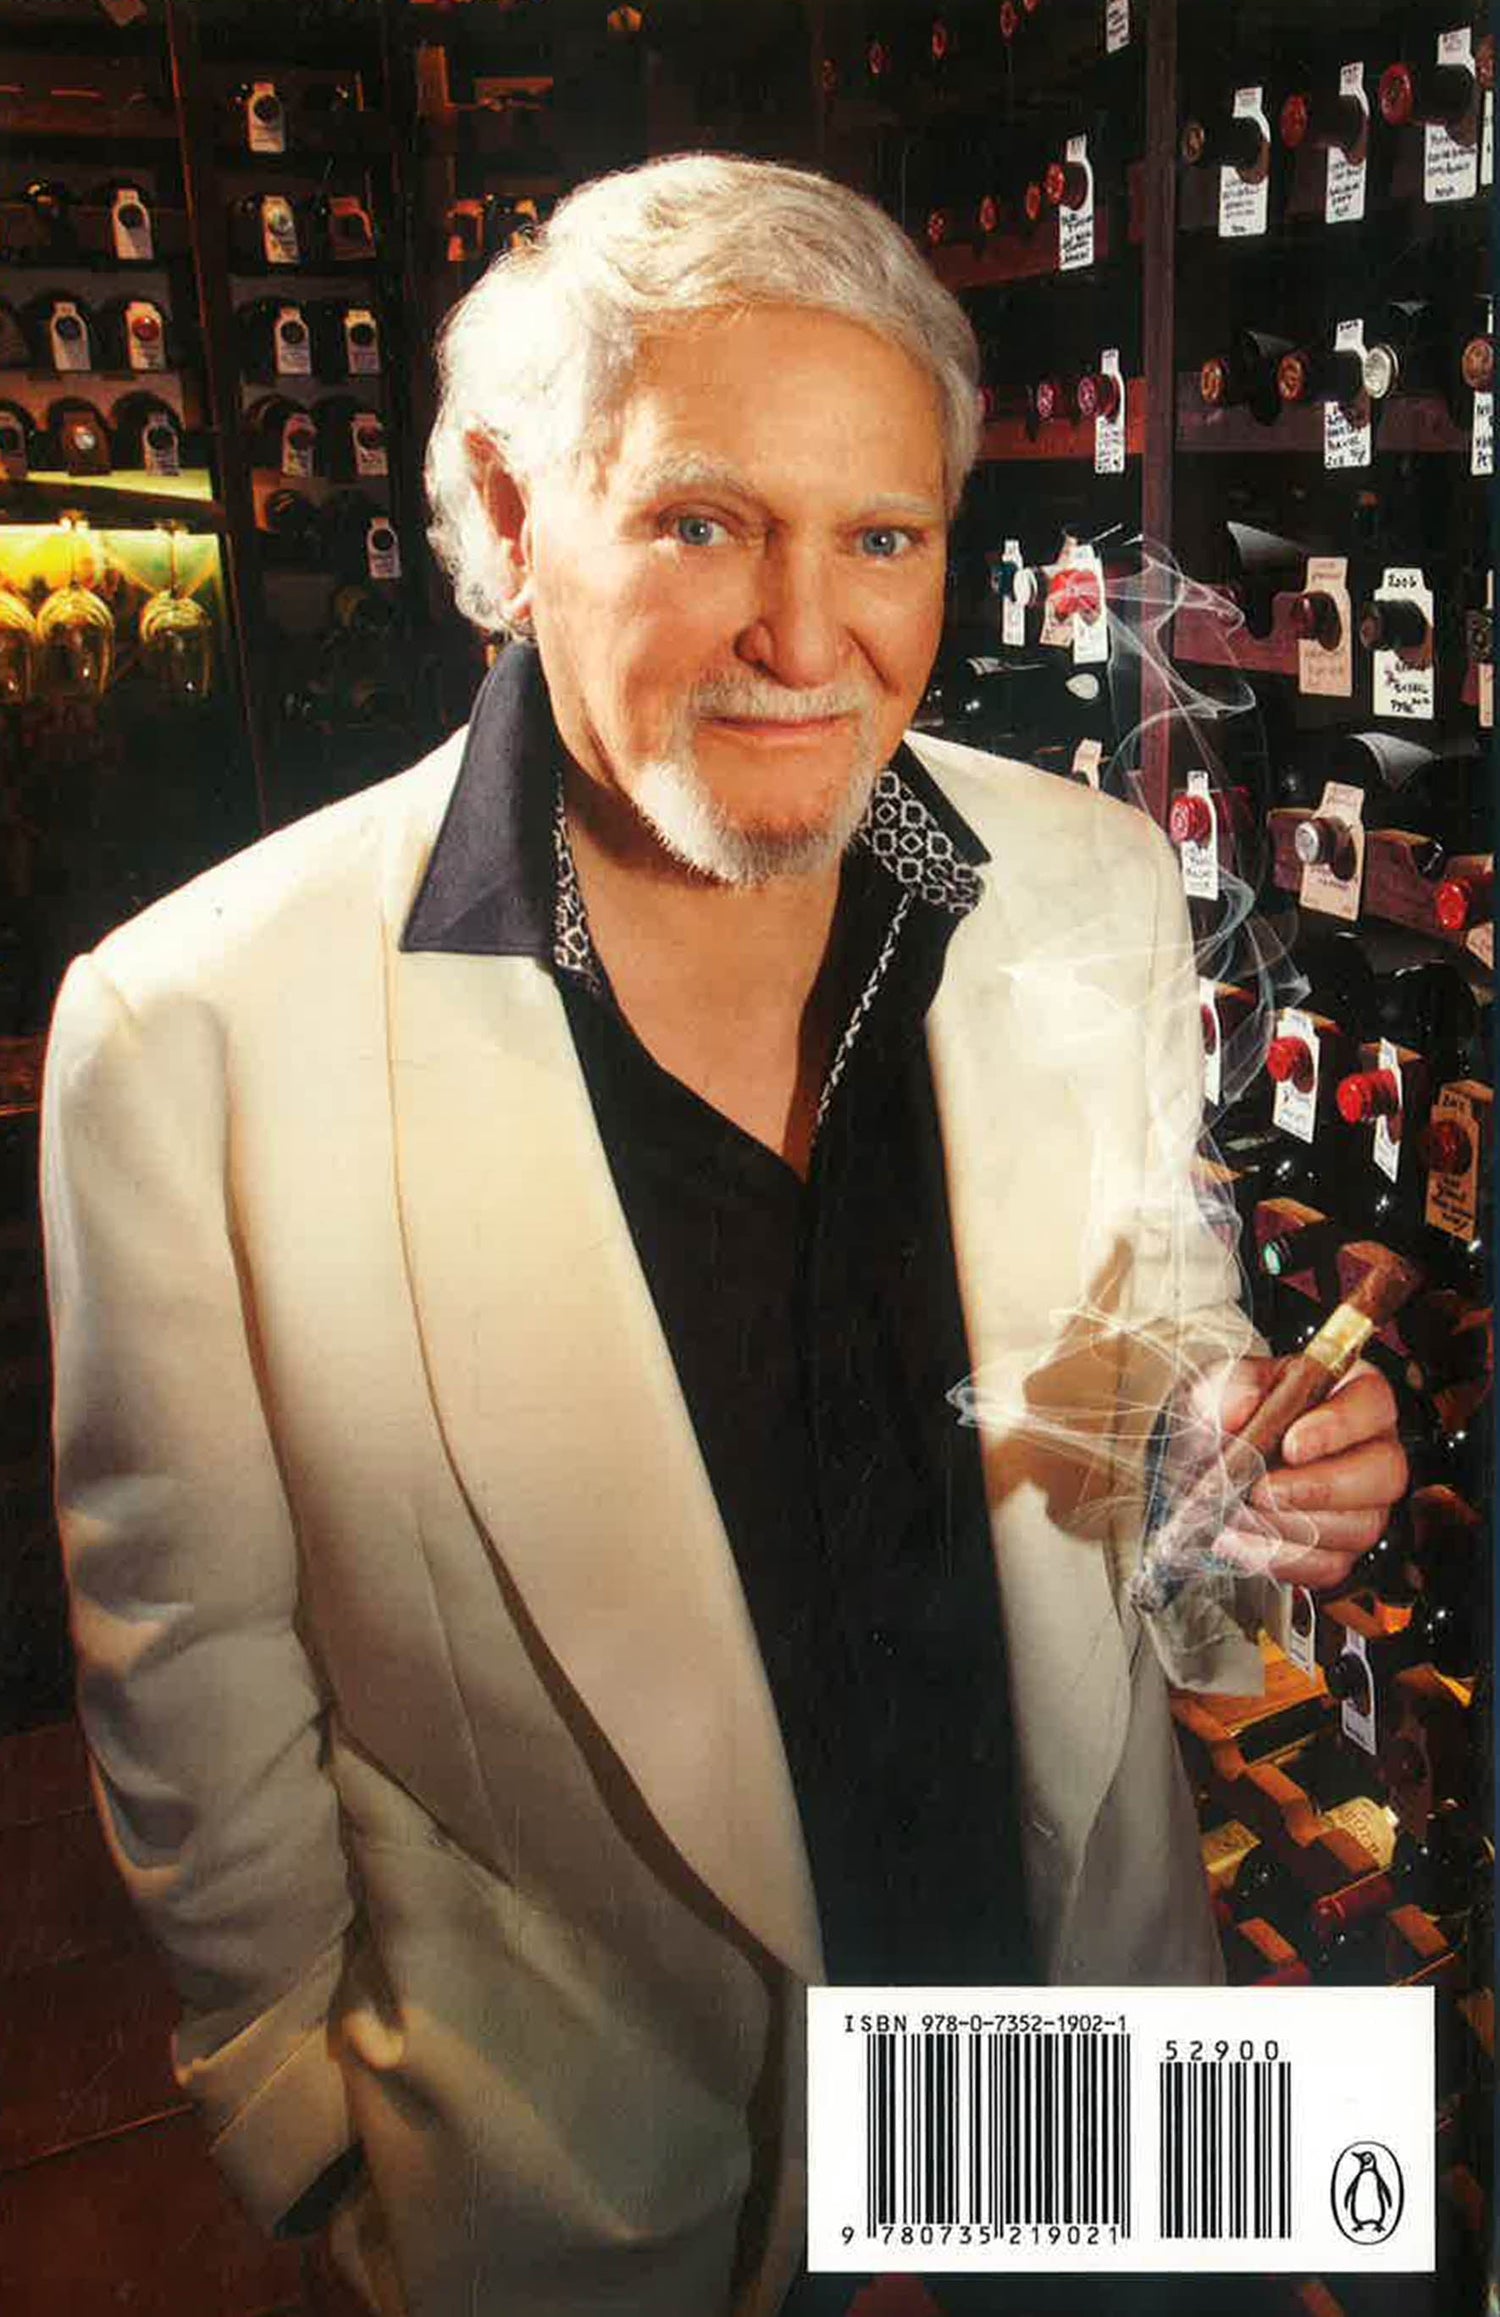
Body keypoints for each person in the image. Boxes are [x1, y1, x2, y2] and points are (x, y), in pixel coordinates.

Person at [40, 155, 1406, 2317]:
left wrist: (1224, 1463)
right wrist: (296, 2113)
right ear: (510, 519)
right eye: (701, 524)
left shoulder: (1086, 880)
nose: (806, 635)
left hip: (1077, 2031)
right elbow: (185, 1652)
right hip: (592, 2154)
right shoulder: (187, 1026)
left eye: (883, 536)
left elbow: (1151, 1340)